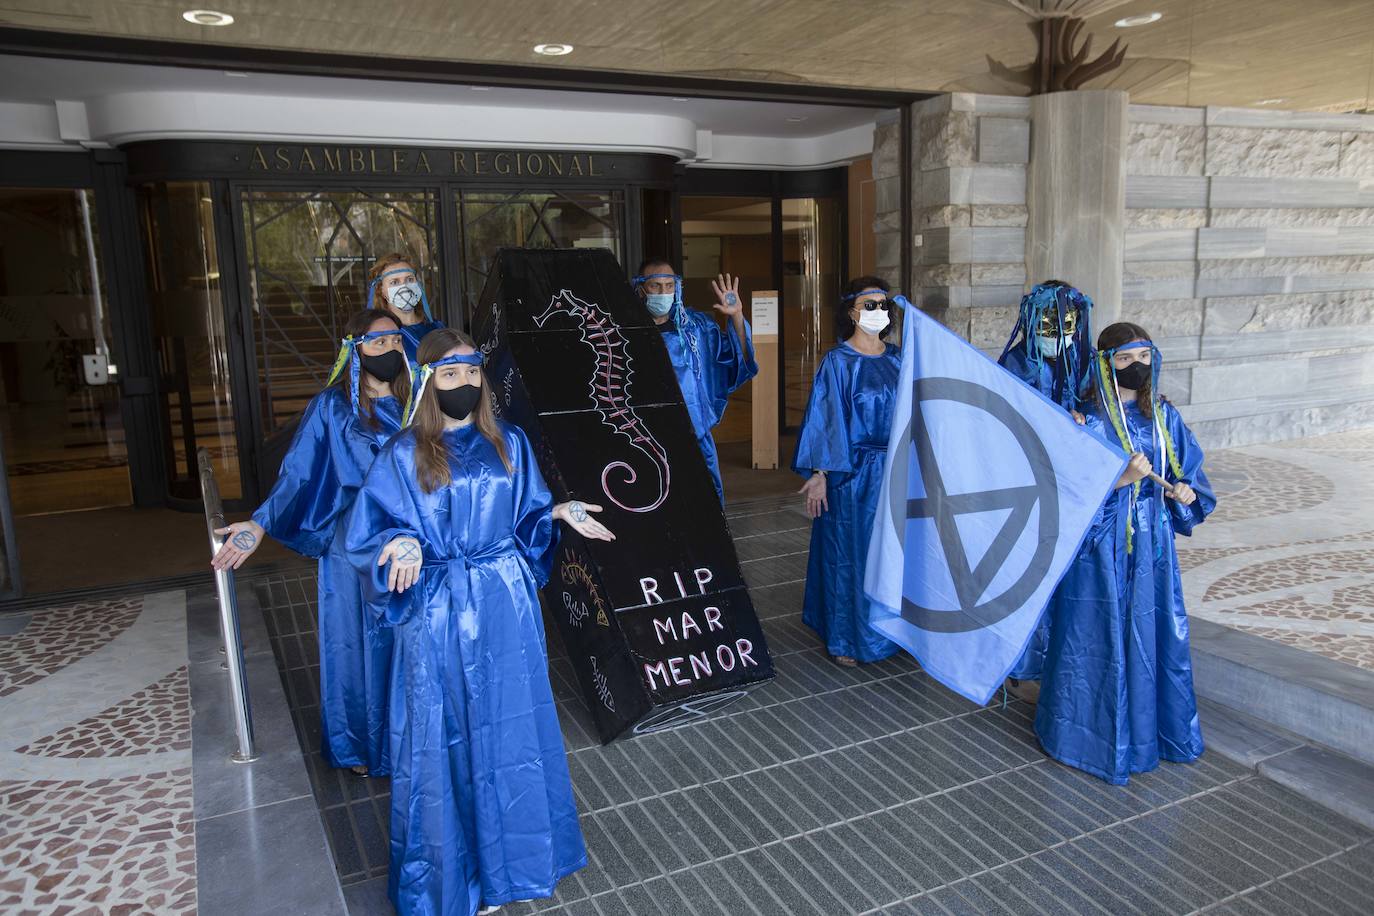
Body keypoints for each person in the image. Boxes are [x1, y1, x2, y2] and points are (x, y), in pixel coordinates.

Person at [345, 327, 614, 916]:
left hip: (504, 604)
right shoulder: (402, 453)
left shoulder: (509, 441)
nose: (463, 383)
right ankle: (454, 878)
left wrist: (559, 511)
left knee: (511, 727)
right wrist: (400, 545)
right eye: (449, 374)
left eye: (471, 373)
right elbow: (367, 534)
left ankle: (516, 865)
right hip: (437, 609)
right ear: (427, 383)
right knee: (443, 733)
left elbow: (528, 514)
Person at [212, 308, 409, 776]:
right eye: (377, 342)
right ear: (355, 348)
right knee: (356, 644)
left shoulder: (417, 402)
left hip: (409, 539)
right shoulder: (333, 406)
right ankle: (361, 746)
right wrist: (260, 524)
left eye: (396, 341)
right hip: (352, 546)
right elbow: (298, 471)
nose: (390, 350)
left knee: (407, 640)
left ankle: (409, 744)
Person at [1034, 321, 1216, 786]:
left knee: (1151, 632)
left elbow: (1190, 470)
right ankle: (1085, 736)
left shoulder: (1164, 416)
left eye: (1143, 357)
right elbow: (1065, 492)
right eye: (1124, 360)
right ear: (1104, 364)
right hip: (1101, 548)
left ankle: (1154, 734)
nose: (1136, 367)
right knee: (1096, 636)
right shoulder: (1085, 419)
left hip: (1152, 544)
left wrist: (1186, 492)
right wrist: (1121, 480)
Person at [792, 277, 903, 668]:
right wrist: (820, 472)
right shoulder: (838, 363)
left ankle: (891, 630)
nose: (878, 312)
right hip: (852, 474)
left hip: (895, 471)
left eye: (883, 304)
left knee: (892, 553)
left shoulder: (897, 359)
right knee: (850, 553)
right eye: (869, 305)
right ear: (852, 312)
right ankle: (846, 635)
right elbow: (826, 419)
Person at [997, 280, 1096, 699]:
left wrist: (1084, 420)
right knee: (1027, 572)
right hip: (1027, 484)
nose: (1059, 337)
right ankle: (1021, 661)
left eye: (1066, 327)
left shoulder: (1084, 362)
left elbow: (1100, 408)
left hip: (1073, 486)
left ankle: (1064, 657)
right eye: (1051, 326)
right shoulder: (1017, 365)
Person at [633, 258, 757, 503]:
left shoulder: (697, 329)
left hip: (695, 443)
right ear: (641, 289)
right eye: (656, 286)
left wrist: (737, 317)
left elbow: (737, 358)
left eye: (669, 286)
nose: (663, 292)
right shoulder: (627, 331)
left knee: (704, 509)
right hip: (644, 443)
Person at [368, 252, 444, 359]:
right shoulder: (379, 336)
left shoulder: (436, 327)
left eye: (409, 279)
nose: (404, 286)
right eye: (394, 282)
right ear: (381, 290)